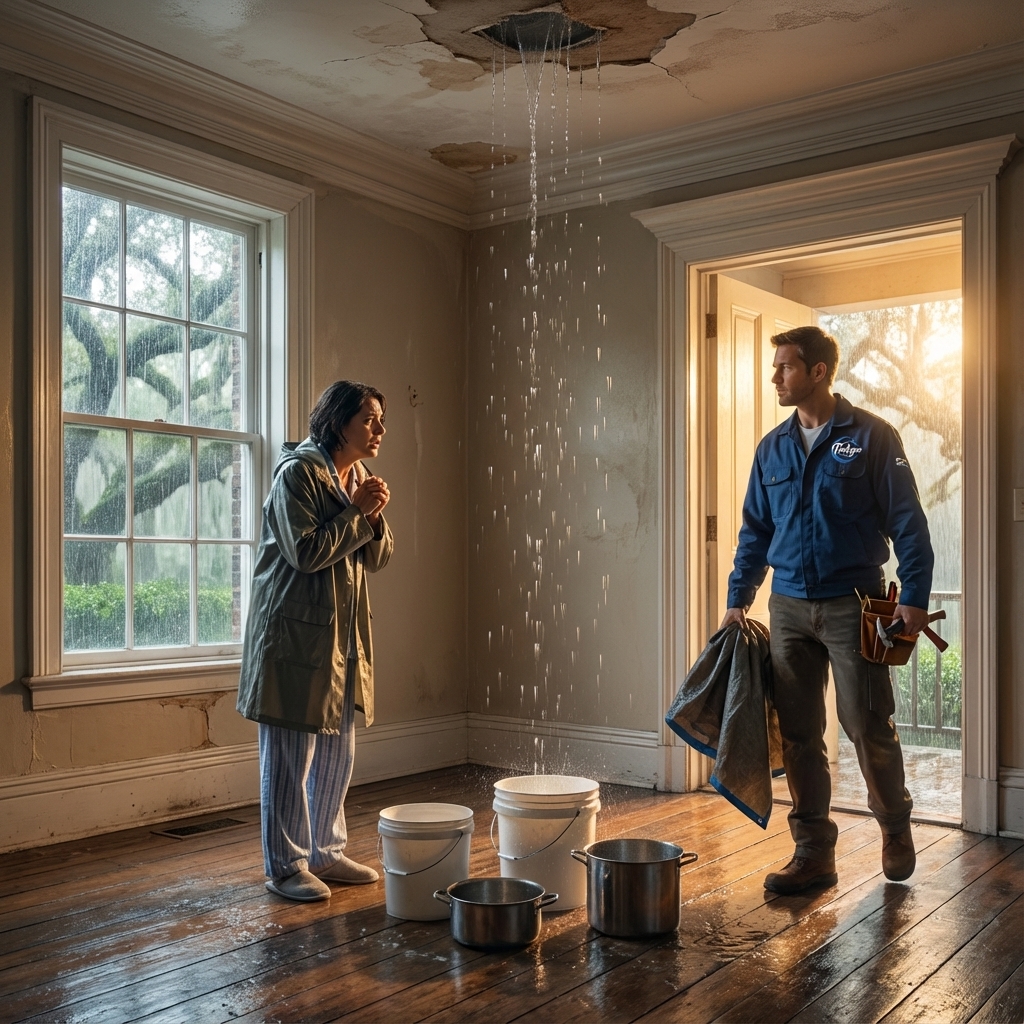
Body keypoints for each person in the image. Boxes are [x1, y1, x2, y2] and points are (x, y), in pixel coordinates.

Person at [722, 325, 934, 895]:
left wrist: (915, 596)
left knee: (866, 723)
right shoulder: (772, 447)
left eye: (786, 366)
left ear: (818, 371)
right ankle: (813, 852)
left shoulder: (872, 437)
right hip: (788, 606)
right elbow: (755, 531)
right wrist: (738, 598)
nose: (775, 377)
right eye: (776, 367)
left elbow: (908, 522)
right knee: (798, 735)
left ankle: (894, 827)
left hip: (854, 604)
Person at [237, 381, 393, 902]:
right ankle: (285, 866)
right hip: (293, 637)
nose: (379, 428)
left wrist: (372, 515)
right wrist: (357, 514)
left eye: (380, 419)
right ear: (337, 421)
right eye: (368, 418)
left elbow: (378, 558)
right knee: (289, 754)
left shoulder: (359, 478)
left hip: (341, 638)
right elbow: (304, 553)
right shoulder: (297, 474)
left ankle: (325, 851)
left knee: (335, 749)